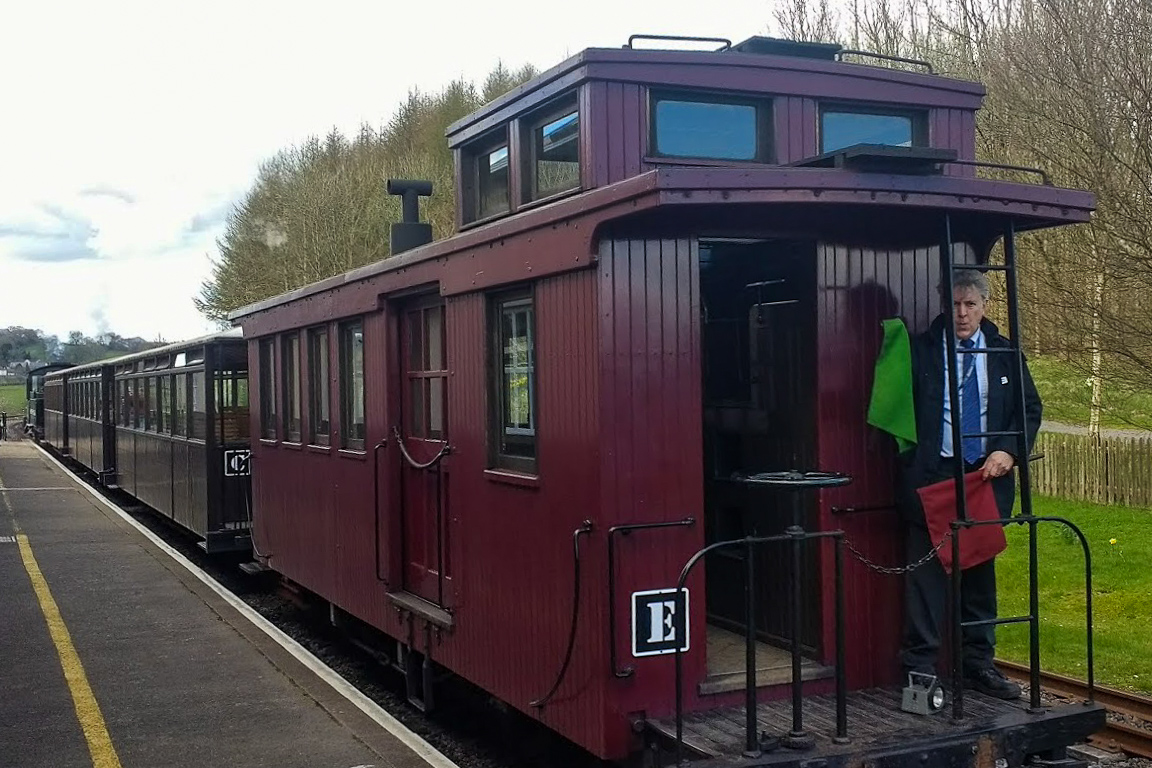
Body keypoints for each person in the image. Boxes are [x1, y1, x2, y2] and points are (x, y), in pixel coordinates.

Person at [897, 269, 1042, 700]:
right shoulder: (921, 351)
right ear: (946, 305)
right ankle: (919, 672)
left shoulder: (1004, 353)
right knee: (925, 579)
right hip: (934, 477)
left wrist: (1008, 451)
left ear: (985, 306)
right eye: (955, 304)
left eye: (970, 305)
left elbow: (1028, 409)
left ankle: (979, 663)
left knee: (979, 574)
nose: (962, 313)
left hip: (983, 476)